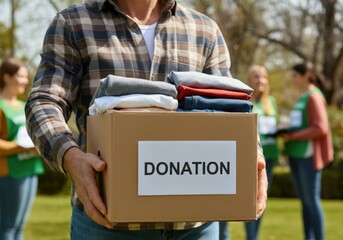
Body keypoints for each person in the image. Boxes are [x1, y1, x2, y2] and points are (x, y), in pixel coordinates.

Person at [25, 0, 268, 239]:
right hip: (107, 221)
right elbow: (45, 102)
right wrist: (70, 156)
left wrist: (254, 155)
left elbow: (233, 108)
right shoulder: (73, 23)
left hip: (195, 225)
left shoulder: (204, 29)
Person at [280, 62, 334, 240]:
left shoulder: (314, 96)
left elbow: (320, 127)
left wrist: (293, 136)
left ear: (306, 76)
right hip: (296, 154)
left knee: (312, 201)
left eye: (295, 76)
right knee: (305, 203)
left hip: (308, 155)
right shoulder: (302, 96)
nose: (292, 79)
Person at [0, 58, 45, 240]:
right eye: (21, 76)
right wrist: (22, 147)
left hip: (30, 169)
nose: (26, 81)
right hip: (10, 173)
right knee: (8, 227)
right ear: (7, 77)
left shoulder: (23, 106)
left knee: (20, 227)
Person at [242, 65, 280, 240]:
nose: (261, 81)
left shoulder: (271, 102)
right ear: (249, 80)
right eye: (256, 77)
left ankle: (254, 237)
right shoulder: (246, 102)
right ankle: (250, 236)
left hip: (270, 155)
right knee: (249, 199)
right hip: (251, 156)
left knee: (262, 197)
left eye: (264, 77)